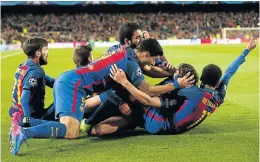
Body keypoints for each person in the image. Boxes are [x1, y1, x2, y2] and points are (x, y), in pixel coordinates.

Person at [9, 38, 194, 155]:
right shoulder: (131, 63)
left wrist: (169, 72)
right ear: (145, 54)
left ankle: (23, 123)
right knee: (71, 132)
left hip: (70, 80)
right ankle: (24, 132)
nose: (153, 64)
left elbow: (147, 70)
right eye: (153, 59)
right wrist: (176, 84)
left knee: (66, 128)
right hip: (74, 86)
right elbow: (146, 90)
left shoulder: (124, 53)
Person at [110, 38, 257, 134]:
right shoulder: (219, 96)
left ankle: (117, 97)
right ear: (217, 83)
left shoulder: (193, 92)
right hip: (176, 127)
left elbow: (151, 95)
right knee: (164, 87)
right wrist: (247, 51)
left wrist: (126, 82)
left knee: (134, 94)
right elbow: (229, 73)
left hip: (161, 124)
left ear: (202, 81)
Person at [9, 37, 55, 127]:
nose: (47, 53)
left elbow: (52, 82)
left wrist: (67, 84)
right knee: (62, 100)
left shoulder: (23, 66)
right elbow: (23, 99)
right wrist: (27, 119)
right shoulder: (36, 71)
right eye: (45, 49)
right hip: (33, 116)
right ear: (38, 53)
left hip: (15, 113)